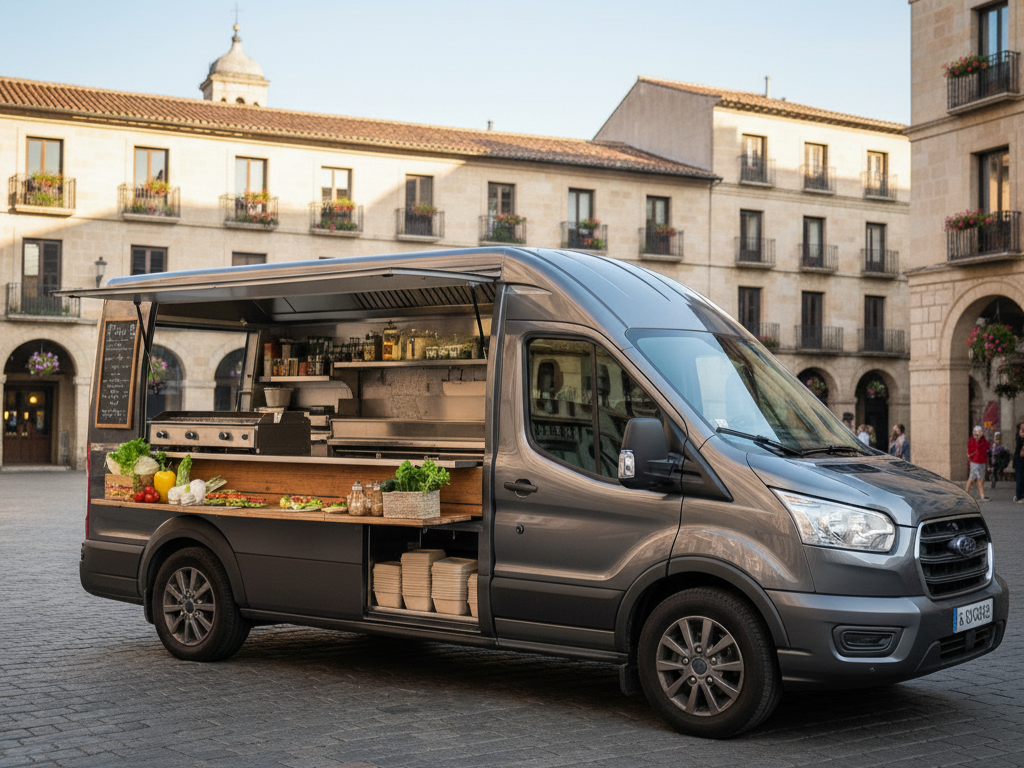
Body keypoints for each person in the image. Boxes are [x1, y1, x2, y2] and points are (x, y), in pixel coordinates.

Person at [966, 426, 990, 501]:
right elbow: (973, 449)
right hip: (975, 462)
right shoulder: (972, 440)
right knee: (977, 479)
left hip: (982, 462)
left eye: (980, 432)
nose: (978, 433)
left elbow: (988, 447)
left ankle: (967, 493)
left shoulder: (983, 440)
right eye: (977, 432)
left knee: (976, 478)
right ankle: (982, 496)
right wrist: (978, 440)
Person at [1014, 422, 1024, 503]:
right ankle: (1019, 496)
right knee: (1020, 478)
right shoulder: (1019, 436)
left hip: (1021, 461)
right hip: (1019, 461)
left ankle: (1020, 495)